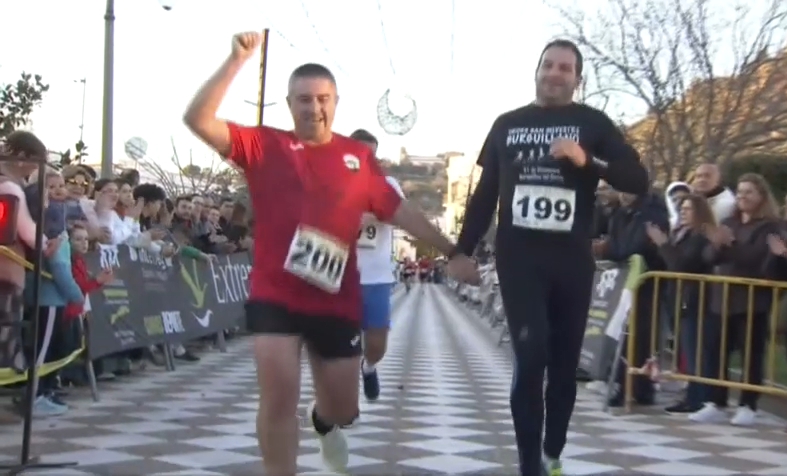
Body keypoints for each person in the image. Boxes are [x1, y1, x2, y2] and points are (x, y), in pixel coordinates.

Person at [182, 31, 478, 476]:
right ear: (289, 104)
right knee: (278, 396)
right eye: (303, 99)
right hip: (275, 295)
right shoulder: (264, 145)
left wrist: (451, 250)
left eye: (322, 98)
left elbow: (402, 211)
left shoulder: (357, 156)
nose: (313, 107)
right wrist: (235, 62)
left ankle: (324, 422)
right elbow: (197, 119)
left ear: (335, 102)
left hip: (336, 299)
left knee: (343, 409)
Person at [453, 38, 649, 476]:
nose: (555, 73)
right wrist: (459, 252)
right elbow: (485, 196)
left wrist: (588, 161)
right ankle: (529, 466)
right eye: (549, 65)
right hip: (519, 255)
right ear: (537, 71)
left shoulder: (592, 123)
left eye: (565, 68)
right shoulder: (507, 124)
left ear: (577, 79)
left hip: (571, 260)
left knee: (563, 364)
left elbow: (638, 178)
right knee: (531, 349)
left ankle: (553, 450)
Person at [349, 128, 402, 402]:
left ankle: (368, 367)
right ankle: (341, 402)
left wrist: (364, 216)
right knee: (340, 343)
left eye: (372, 155)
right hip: (339, 274)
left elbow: (396, 214)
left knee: (377, 343)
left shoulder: (388, 184)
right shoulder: (332, 180)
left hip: (376, 276)